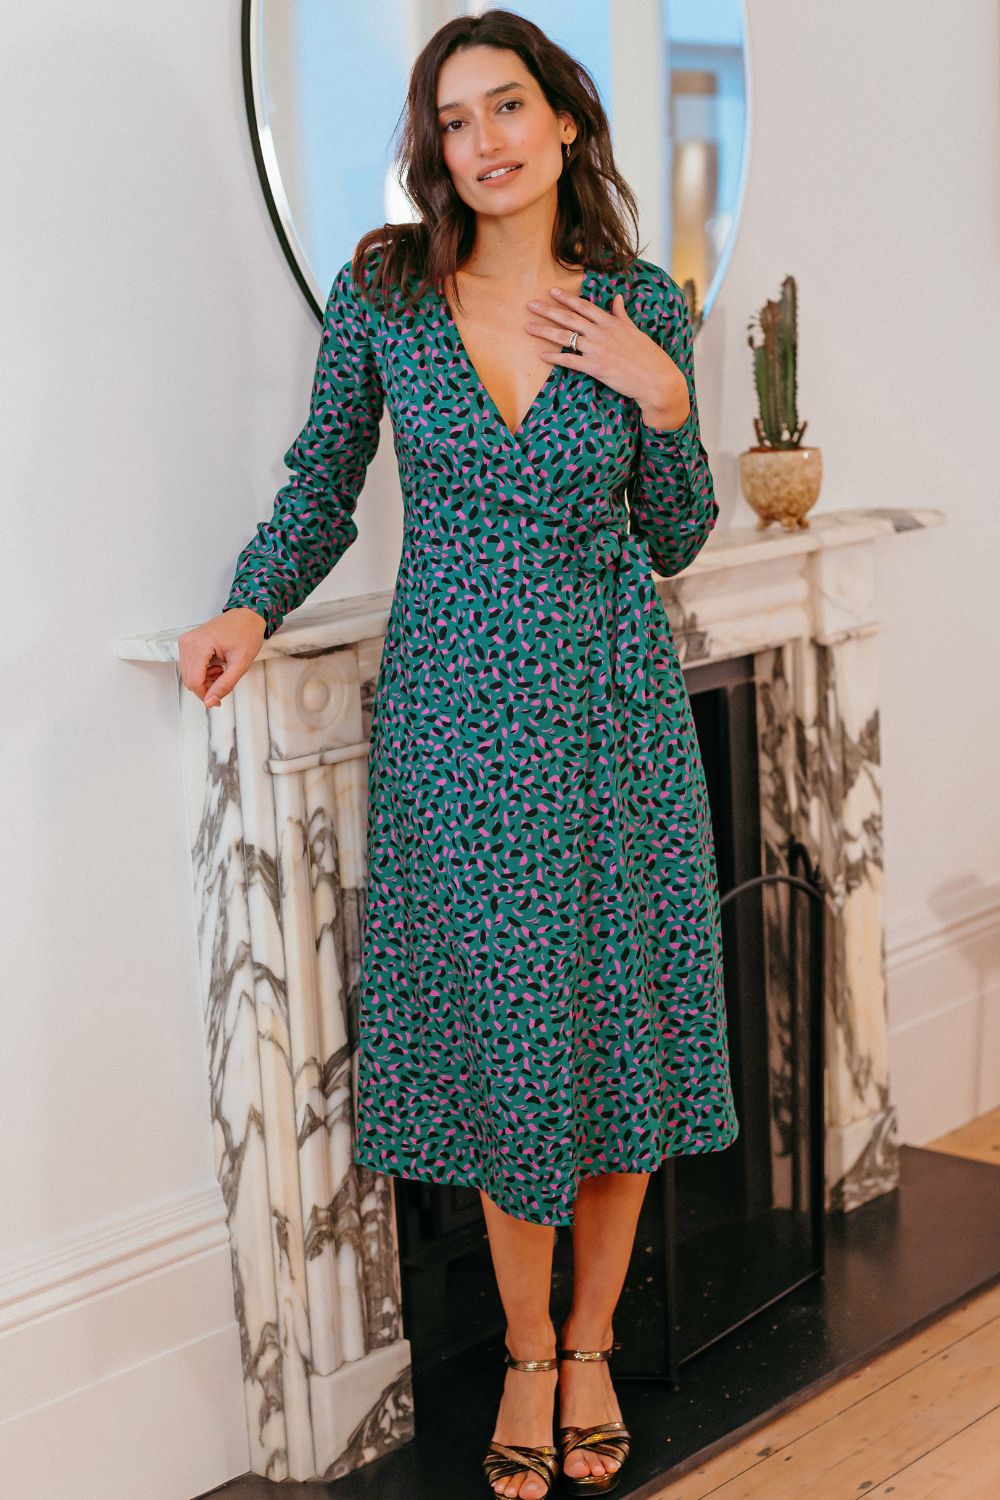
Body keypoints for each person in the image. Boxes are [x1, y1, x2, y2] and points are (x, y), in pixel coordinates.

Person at [179, 10, 739, 1498]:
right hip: (458, 725)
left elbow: (679, 532)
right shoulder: (386, 296)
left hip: (615, 712)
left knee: (621, 1041)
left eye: (509, 107)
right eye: (455, 118)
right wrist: (247, 599)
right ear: (433, 147)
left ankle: (596, 1342)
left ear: (564, 125)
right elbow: (324, 478)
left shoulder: (639, 305)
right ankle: (526, 1354)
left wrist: (664, 395)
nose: (484, 139)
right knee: (510, 1053)